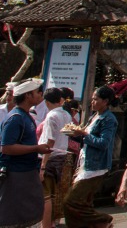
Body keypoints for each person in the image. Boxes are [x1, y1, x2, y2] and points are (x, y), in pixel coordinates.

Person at [63, 85, 119, 228]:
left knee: (71, 201)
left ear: (105, 101)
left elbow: (103, 143)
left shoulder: (108, 119)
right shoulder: (94, 116)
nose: (92, 102)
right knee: (84, 203)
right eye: (92, 99)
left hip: (96, 166)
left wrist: (84, 135)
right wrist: (77, 134)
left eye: (96, 99)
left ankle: (103, 220)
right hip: (84, 162)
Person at [0, 79, 50, 228]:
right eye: (36, 92)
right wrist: (36, 148)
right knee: (11, 216)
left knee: (28, 214)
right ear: (28, 95)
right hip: (15, 173)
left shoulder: (27, 116)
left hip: (26, 172)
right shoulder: (15, 118)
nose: (40, 95)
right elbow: (7, 148)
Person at [39, 86, 73, 228]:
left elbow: (49, 142)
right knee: (53, 194)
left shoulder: (51, 116)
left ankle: (46, 225)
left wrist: (43, 166)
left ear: (46, 102)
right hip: (62, 156)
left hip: (50, 157)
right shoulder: (66, 115)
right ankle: (51, 223)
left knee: (45, 196)